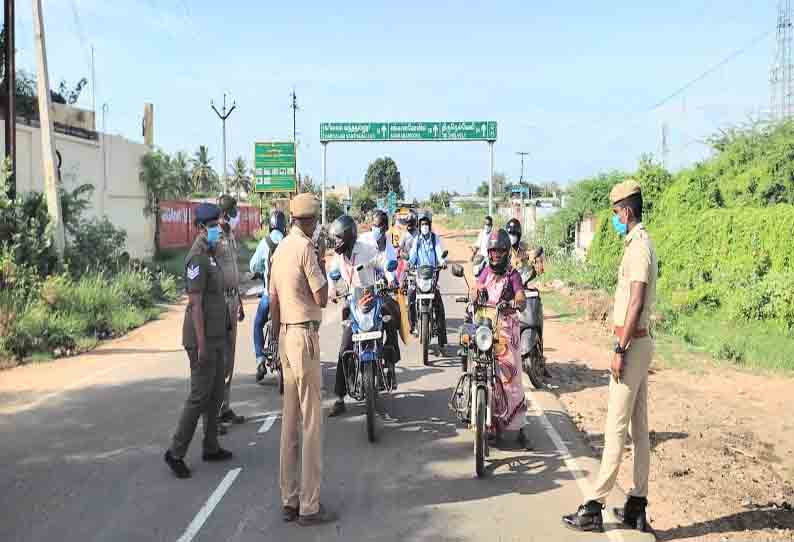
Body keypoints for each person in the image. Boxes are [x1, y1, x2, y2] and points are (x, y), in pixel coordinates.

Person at [563, 180, 657, 533]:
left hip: (632, 347)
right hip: (639, 344)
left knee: (615, 428)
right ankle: (636, 504)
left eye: (617, 212)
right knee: (638, 427)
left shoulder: (639, 249)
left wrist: (620, 349)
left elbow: (635, 301)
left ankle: (593, 505)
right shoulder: (637, 244)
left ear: (627, 211)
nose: (615, 218)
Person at [269, 193, 336, 526]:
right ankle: (310, 505)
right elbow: (322, 298)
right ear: (309, 222)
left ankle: (289, 498)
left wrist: (276, 339)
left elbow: (273, 298)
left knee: (290, 421)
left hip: (284, 335)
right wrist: (321, 259)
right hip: (305, 337)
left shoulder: (279, 249)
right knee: (311, 423)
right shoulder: (306, 249)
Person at [164, 203, 233, 479]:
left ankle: (211, 445)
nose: (219, 228)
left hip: (217, 335)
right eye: (214, 225)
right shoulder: (197, 258)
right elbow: (195, 304)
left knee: (216, 394)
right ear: (202, 227)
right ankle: (175, 452)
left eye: (219, 223)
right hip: (201, 338)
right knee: (199, 396)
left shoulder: (211, 254)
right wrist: (202, 344)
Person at [327, 214, 397, 417]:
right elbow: (333, 276)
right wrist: (332, 289)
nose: (336, 242)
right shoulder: (338, 257)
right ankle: (339, 398)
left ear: (348, 237)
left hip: (372, 298)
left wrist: (390, 277)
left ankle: (390, 363)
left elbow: (382, 263)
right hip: (352, 303)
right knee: (344, 348)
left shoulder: (365, 250)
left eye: (339, 238)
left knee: (391, 318)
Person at [471, 229, 528, 443]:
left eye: (499, 251)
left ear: (506, 252)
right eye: (492, 251)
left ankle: (517, 425)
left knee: (509, 377)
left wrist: (516, 302)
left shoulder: (513, 275)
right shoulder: (486, 271)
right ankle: (482, 414)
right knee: (478, 365)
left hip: (505, 330)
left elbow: (521, 296)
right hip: (486, 327)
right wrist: (473, 296)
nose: (495, 255)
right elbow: (476, 288)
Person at [216, 195, 245, 430]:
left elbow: (233, 267)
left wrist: (241, 301)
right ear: (225, 213)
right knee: (221, 357)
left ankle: (225, 407)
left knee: (230, 357)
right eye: (232, 211)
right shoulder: (214, 235)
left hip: (233, 298)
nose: (235, 215)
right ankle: (215, 411)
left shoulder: (230, 235)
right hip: (220, 301)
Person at [250, 209, 287, 382]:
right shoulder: (289, 242)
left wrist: (260, 271)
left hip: (268, 296)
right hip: (287, 298)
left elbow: (253, 266)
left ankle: (260, 360)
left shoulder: (264, 243)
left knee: (258, 323)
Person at [407, 212, 447, 344]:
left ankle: (442, 341)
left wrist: (442, 262)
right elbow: (412, 255)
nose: (424, 226)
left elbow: (439, 252)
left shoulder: (435, 239)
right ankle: (412, 326)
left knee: (439, 306)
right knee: (411, 296)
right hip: (419, 276)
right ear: (419, 225)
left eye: (426, 224)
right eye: (422, 224)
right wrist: (409, 263)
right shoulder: (416, 240)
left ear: (430, 225)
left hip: (432, 276)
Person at [505, 217, 545, 284]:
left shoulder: (525, 246)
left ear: (518, 234)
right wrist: (522, 258)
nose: (511, 236)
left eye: (514, 234)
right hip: (507, 280)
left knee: (537, 259)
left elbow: (535, 251)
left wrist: (535, 256)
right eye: (510, 234)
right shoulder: (504, 248)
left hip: (523, 278)